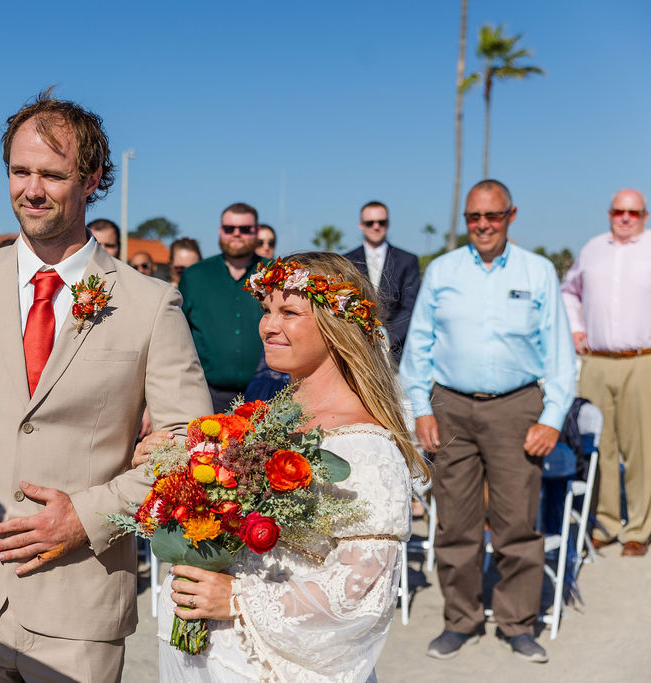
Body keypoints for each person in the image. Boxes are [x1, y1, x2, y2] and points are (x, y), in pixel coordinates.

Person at [0, 89, 211, 681]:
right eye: (19, 171)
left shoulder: (149, 302)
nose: (31, 190)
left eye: (52, 174)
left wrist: (89, 516)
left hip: (82, 600)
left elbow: (187, 443)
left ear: (91, 180)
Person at [136, 252, 424, 682]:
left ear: (336, 326)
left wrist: (237, 599)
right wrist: (177, 465)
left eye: (289, 312)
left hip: (270, 665)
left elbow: (363, 591)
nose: (268, 326)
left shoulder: (366, 446)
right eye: (267, 310)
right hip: (212, 652)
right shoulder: (271, 416)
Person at [400, 179, 575, 663]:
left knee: (516, 521)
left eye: (492, 216)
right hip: (451, 406)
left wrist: (552, 417)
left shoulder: (537, 271)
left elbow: (561, 355)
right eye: (474, 217)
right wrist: (421, 408)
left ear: (511, 216)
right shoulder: (443, 270)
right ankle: (461, 619)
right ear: (466, 220)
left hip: (516, 407)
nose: (482, 226)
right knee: (455, 522)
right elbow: (419, 348)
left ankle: (519, 624)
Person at [561, 189, 651, 556]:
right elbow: (569, 291)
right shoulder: (592, 249)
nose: (625, 217)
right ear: (610, 213)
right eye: (619, 211)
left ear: (645, 215)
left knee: (640, 446)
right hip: (596, 360)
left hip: (641, 360)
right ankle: (605, 522)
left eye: (633, 212)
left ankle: (639, 529)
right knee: (599, 447)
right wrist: (575, 326)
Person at [179, 203, 267, 412]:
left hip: (266, 395)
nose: (237, 234)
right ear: (220, 231)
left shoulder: (273, 272)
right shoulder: (195, 276)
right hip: (205, 394)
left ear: (256, 231)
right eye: (229, 229)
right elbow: (175, 333)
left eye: (245, 229)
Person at [344, 201, 420, 364]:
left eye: (381, 222)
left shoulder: (408, 260)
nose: (376, 226)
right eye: (370, 223)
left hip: (396, 354)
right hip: (357, 351)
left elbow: (410, 306)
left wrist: (389, 339)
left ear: (388, 223)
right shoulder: (346, 260)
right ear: (361, 225)